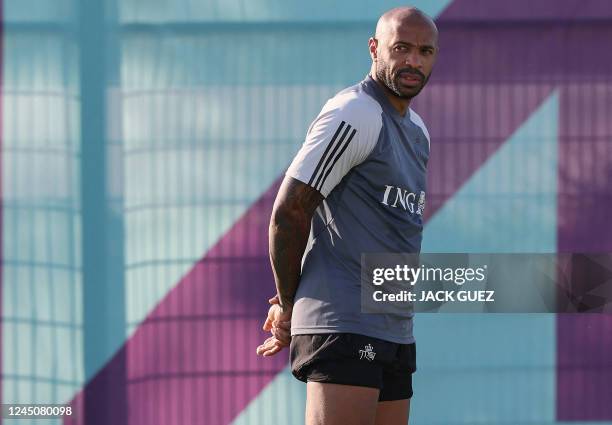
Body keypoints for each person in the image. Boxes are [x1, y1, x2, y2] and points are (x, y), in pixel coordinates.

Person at [256, 6, 438, 425]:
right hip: (342, 323)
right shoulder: (355, 112)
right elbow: (290, 211)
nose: (413, 60)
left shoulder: (418, 131)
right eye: (402, 48)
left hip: (394, 328)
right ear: (374, 49)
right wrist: (287, 304)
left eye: (425, 51)